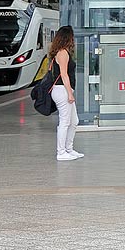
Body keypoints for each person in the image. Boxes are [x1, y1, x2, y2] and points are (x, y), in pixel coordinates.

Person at [49, 26, 82, 161]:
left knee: (74, 121)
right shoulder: (62, 53)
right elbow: (64, 74)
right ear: (68, 37)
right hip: (62, 90)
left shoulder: (62, 52)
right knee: (65, 122)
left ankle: (69, 149)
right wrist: (70, 93)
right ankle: (61, 152)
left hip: (63, 90)